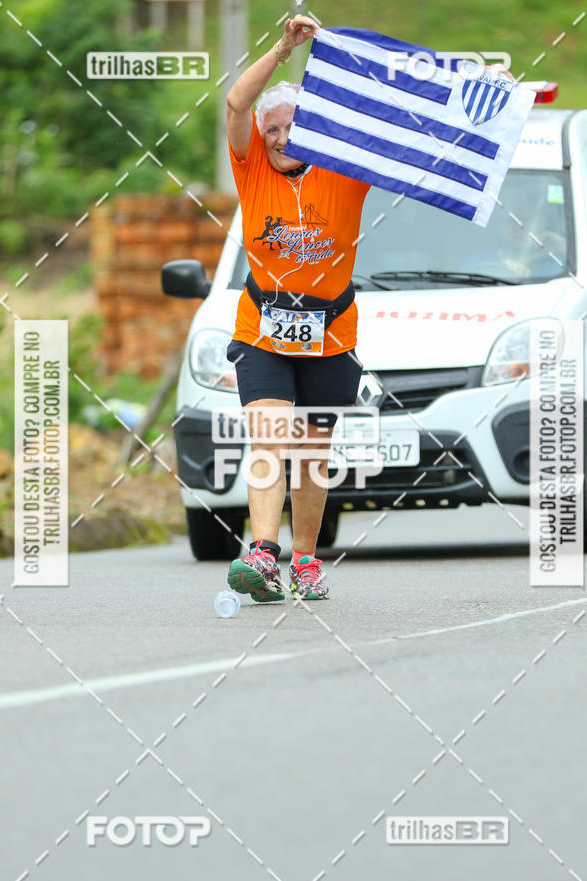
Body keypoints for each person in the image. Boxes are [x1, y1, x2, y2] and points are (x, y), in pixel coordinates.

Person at [224, 14, 370, 603]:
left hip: (330, 330)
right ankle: (262, 554)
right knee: (268, 435)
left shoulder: (344, 170)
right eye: (275, 129)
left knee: (311, 453)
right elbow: (237, 103)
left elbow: (382, 122)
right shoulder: (251, 164)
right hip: (263, 326)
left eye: (294, 127)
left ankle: (306, 562)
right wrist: (285, 49)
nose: (284, 137)